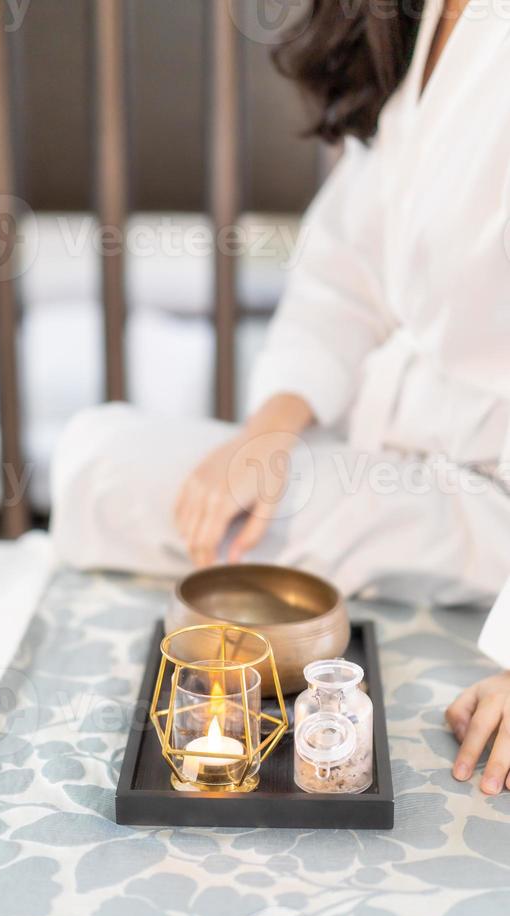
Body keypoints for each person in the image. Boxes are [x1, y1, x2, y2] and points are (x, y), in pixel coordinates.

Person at [51, 0, 510, 793]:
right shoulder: (428, 16)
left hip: (487, 494)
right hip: (396, 450)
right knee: (98, 465)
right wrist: (268, 433)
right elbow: (345, 277)